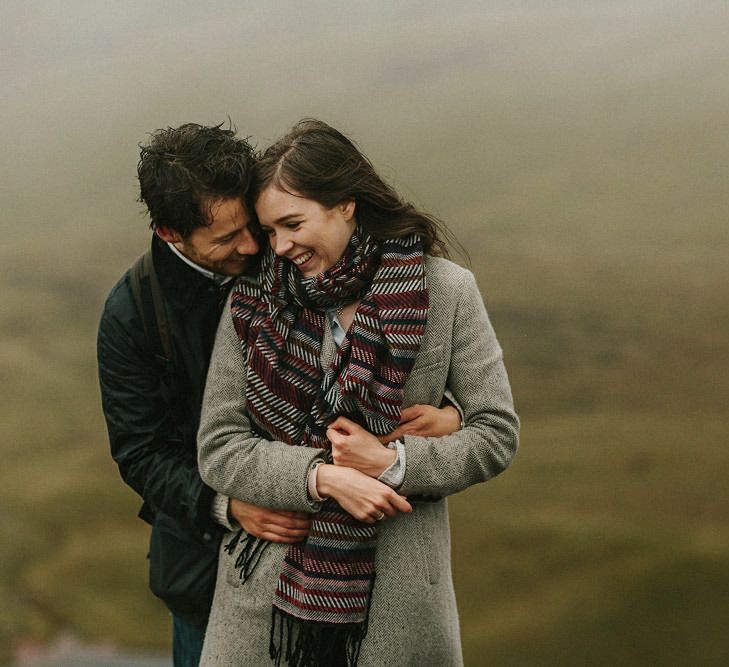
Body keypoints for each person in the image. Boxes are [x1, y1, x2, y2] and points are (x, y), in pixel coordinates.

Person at [197, 119, 519, 666]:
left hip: (400, 601)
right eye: (270, 230)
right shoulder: (253, 301)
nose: (280, 246)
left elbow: (496, 435)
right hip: (264, 608)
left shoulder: (445, 291)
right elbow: (219, 448)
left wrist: (392, 464)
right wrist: (322, 477)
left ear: (345, 204)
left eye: (293, 223)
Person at [97, 123, 313, 667]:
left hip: (324, 561)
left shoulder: (287, 249)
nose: (250, 246)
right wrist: (226, 505)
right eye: (224, 238)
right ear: (170, 232)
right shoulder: (131, 316)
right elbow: (140, 453)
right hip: (205, 578)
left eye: (251, 227)